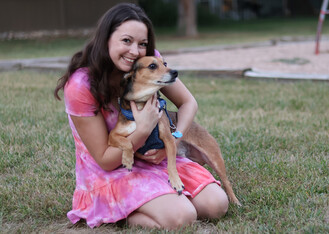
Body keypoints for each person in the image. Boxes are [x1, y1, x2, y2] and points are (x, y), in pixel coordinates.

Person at [54, 3, 229, 230]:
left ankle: (162, 200)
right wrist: (143, 129)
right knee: (183, 217)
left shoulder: (149, 63)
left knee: (216, 205)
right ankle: (116, 212)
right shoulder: (81, 86)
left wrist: (173, 140)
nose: (135, 51)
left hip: (157, 161)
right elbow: (105, 160)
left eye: (142, 44)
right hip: (113, 170)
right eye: (126, 41)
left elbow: (188, 103)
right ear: (106, 38)